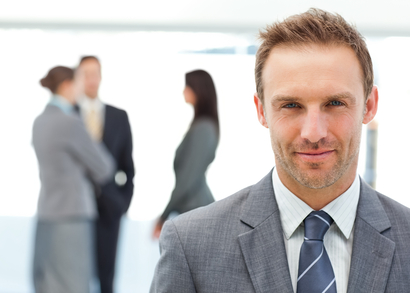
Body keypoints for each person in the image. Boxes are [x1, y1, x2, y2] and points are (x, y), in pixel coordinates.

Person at [150, 8, 410, 293]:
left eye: (335, 103)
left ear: (369, 106)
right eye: (291, 105)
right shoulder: (191, 245)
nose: (313, 133)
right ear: (261, 111)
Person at [32, 66, 115, 293]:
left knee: (47, 283)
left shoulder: (39, 121)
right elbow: (104, 167)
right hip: (72, 215)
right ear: (68, 85)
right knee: (74, 283)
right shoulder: (70, 122)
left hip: (47, 213)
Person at [76, 56, 135, 293]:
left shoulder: (118, 117)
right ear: (77, 78)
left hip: (109, 210)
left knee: (106, 278)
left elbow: (128, 169)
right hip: (75, 209)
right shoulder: (68, 116)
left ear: (100, 77)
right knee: (75, 276)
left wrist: (123, 203)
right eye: (85, 73)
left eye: (94, 73)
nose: (91, 79)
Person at [153, 69, 219, 238]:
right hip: (192, 210)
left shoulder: (203, 129)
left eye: (187, 86)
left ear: (198, 90)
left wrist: (163, 215)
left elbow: (187, 179)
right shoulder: (200, 125)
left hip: (197, 211)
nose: (183, 91)